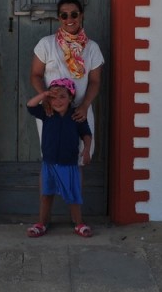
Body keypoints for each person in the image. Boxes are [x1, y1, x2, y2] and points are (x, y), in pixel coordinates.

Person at [25, 78, 93, 238]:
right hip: (49, 163)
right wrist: (44, 94)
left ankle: (79, 223)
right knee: (46, 194)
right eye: (53, 97)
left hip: (69, 164)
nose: (57, 101)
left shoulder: (76, 115)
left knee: (73, 196)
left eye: (62, 96)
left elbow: (86, 134)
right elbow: (30, 105)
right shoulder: (46, 113)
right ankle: (42, 223)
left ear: (71, 98)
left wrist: (87, 150)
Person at [30, 0, 104, 133]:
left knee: (83, 151)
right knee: (51, 151)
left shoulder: (92, 48)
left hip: (80, 111)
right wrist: (45, 97)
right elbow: (36, 75)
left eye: (74, 14)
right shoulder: (46, 44)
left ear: (81, 16)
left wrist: (85, 106)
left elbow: (95, 81)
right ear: (59, 18)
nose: (69, 19)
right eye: (64, 15)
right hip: (51, 109)